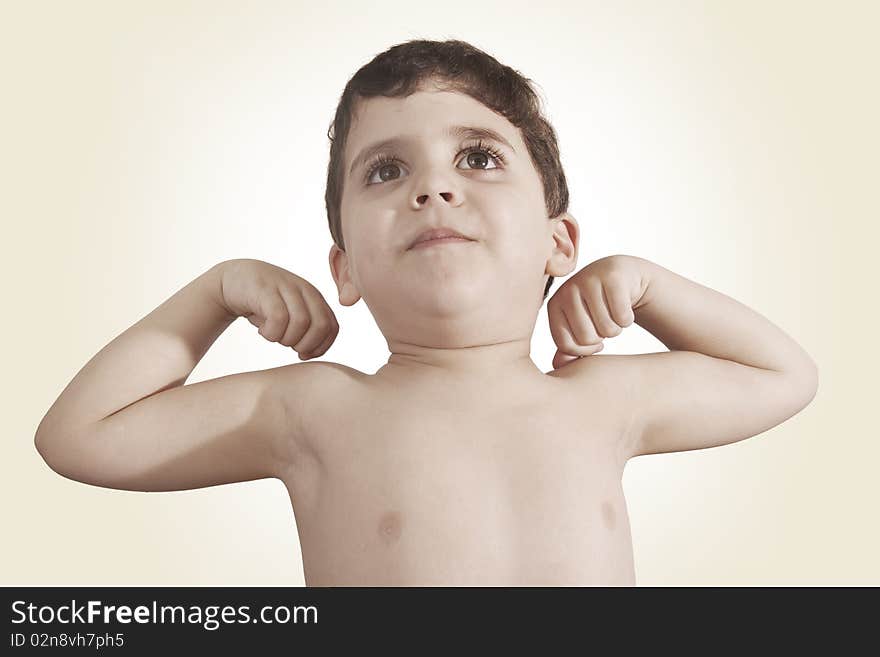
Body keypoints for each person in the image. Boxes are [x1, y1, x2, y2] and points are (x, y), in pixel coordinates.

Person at [34, 39, 818, 586]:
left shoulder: (601, 397)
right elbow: (78, 437)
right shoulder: (313, 408)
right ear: (344, 267)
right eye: (385, 170)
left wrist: (648, 286)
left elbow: (786, 375)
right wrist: (211, 294)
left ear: (558, 241)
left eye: (478, 157)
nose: (434, 188)